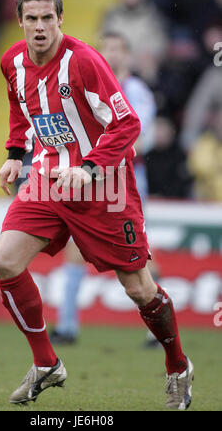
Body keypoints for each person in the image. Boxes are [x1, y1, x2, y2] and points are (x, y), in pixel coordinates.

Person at [0, 0, 194, 410]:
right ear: (21, 22)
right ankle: (46, 363)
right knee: (4, 261)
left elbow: (128, 124)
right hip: (48, 178)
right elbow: (19, 106)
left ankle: (178, 366)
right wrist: (14, 152)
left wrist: (88, 168)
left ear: (61, 19)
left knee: (139, 288)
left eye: (48, 18)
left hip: (106, 187)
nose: (41, 27)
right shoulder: (12, 62)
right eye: (32, 19)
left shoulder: (84, 62)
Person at [50, 33, 158, 346]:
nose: (110, 55)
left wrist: (99, 157)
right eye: (105, 49)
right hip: (91, 177)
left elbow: (138, 138)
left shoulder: (136, 91)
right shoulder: (89, 86)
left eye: (116, 49)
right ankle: (67, 326)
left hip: (125, 180)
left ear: (127, 55)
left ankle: (158, 321)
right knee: (75, 247)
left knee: (138, 254)